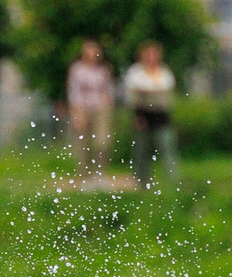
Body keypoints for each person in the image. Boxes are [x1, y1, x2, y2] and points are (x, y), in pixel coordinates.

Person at [123, 40, 178, 188]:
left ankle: (172, 180)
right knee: (141, 150)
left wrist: (148, 92)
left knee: (166, 146)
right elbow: (134, 95)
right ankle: (141, 181)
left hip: (161, 115)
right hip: (143, 115)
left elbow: (166, 92)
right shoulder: (136, 72)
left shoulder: (164, 72)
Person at [65, 39, 117, 182]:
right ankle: (84, 175)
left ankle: (100, 173)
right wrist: (76, 113)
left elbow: (108, 90)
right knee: (83, 144)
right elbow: (73, 91)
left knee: (102, 142)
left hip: (100, 109)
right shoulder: (77, 69)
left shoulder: (103, 70)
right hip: (82, 108)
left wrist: (108, 107)